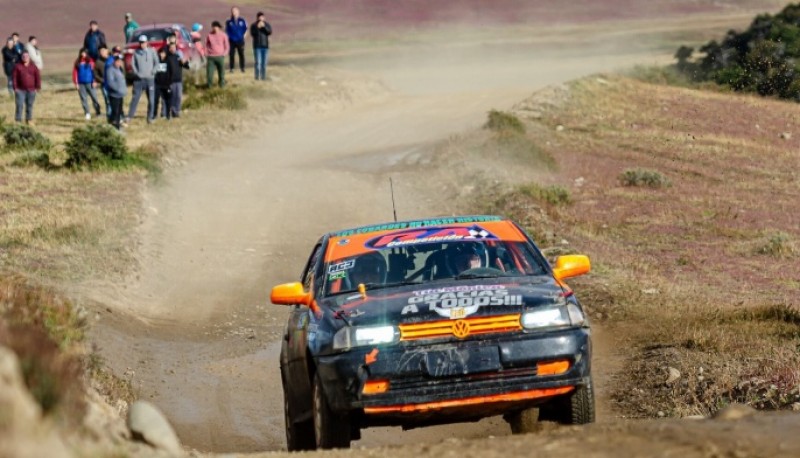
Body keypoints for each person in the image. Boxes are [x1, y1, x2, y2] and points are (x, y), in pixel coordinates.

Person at [127, 35, 158, 124]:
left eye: (143, 42)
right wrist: (137, 73)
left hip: (150, 79)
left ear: (147, 42)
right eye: (140, 43)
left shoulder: (152, 51)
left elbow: (156, 62)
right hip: (139, 80)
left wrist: (153, 71)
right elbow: (133, 64)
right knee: (135, 98)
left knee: (151, 100)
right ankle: (129, 116)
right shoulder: (136, 53)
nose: (142, 44)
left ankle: (150, 117)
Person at [73, 48, 102, 120]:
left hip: (90, 83)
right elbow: (75, 73)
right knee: (83, 99)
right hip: (81, 83)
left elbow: (94, 72)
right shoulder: (77, 62)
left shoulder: (91, 62)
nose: (83, 55)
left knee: (94, 98)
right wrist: (76, 83)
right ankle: (87, 113)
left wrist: (94, 81)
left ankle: (98, 112)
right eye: (82, 53)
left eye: (84, 53)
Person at [12, 51, 40, 125]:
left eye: (27, 56)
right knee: (19, 105)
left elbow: (37, 77)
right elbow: (14, 78)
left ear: (29, 57)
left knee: (29, 105)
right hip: (20, 90)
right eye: (23, 56)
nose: (25, 58)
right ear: (21, 57)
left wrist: (37, 87)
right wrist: (15, 88)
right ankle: (18, 120)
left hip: (31, 89)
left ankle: (29, 119)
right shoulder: (18, 66)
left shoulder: (33, 67)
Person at [105, 56, 127, 130]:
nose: (119, 63)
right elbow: (111, 83)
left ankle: (116, 124)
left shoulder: (119, 69)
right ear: (114, 61)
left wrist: (123, 90)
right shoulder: (110, 70)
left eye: (120, 62)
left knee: (119, 111)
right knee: (115, 111)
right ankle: (114, 126)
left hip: (120, 94)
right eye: (118, 61)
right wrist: (118, 89)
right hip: (114, 95)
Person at [205, 21, 229, 88]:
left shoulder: (223, 35)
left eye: (216, 27)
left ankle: (222, 86)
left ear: (219, 27)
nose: (214, 28)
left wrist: (224, 53)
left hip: (220, 57)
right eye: (213, 27)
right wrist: (206, 53)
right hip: (211, 57)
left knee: (221, 73)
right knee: (209, 74)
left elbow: (227, 46)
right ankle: (209, 87)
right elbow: (206, 45)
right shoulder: (209, 35)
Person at [225, 7, 248, 73]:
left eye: (235, 11)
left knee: (241, 54)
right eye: (232, 11)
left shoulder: (242, 20)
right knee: (231, 55)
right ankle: (232, 68)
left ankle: (242, 68)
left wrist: (244, 36)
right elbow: (226, 30)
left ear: (238, 12)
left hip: (240, 40)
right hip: (231, 40)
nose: (233, 12)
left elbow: (246, 29)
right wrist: (228, 37)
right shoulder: (229, 21)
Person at [250, 12, 271, 81]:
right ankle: (257, 77)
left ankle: (263, 77)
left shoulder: (267, 24)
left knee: (264, 64)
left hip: (265, 46)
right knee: (258, 63)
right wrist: (257, 27)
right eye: (259, 17)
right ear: (257, 18)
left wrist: (263, 27)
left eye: (262, 17)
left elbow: (269, 32)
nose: (260, 18)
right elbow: (252, 34)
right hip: (257, 46)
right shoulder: (253, 25)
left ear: (264, 18)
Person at [166, 42, 184, 118]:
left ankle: (177, 110)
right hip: (171, 81)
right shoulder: (168, 58)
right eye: (171, 47)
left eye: (174, 47)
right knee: (173, 96)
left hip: (179, 79)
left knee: (178, 96)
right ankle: (173, 111)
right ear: (169, 49)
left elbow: (184, 64)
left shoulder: (178, 57)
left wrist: (182, 59)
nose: (172, 49)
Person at [154, 47, 171, 120]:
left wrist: (169, 83)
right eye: (161, 53)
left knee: (166, 100)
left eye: (163, 53)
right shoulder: (156, 62)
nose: (162, 55)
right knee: (156, 100)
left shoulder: (168, 62)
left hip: (166, 84)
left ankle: (166, 114)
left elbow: (170, 73)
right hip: (158, 84)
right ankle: (154, 115)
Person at [94, 46, 110, 119]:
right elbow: (95, 74)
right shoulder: (98, 62)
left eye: (103, 51)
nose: (102, 53)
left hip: (114, 84)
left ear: (107, 51)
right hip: (105, 84)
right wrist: (102, 80)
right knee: (107, 100)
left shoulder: (112, 59)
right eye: (101, 52)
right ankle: (110, 115)